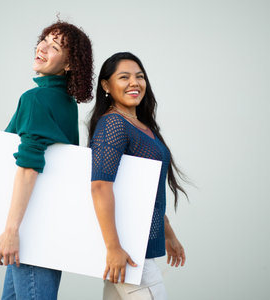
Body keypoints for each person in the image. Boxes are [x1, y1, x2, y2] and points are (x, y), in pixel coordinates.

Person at [0, 21, 93, 300]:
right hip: (47, 225)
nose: (42, 48)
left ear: (69, 65)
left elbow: (29, 166)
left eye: (54, 46)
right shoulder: (65, 103)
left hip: (31, 229)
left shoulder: (36, 98)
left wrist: (11, 230)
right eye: (43, 40)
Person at [89, 52, 187, 299]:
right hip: (129, 252)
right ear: (106, 85)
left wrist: (169, 233)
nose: (134, 83)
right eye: (124, 77)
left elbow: (142, 192)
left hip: (135, 250)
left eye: (139, 76)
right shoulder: (113, 124)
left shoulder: (142, 126)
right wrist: (113, 248)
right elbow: (100, 186)